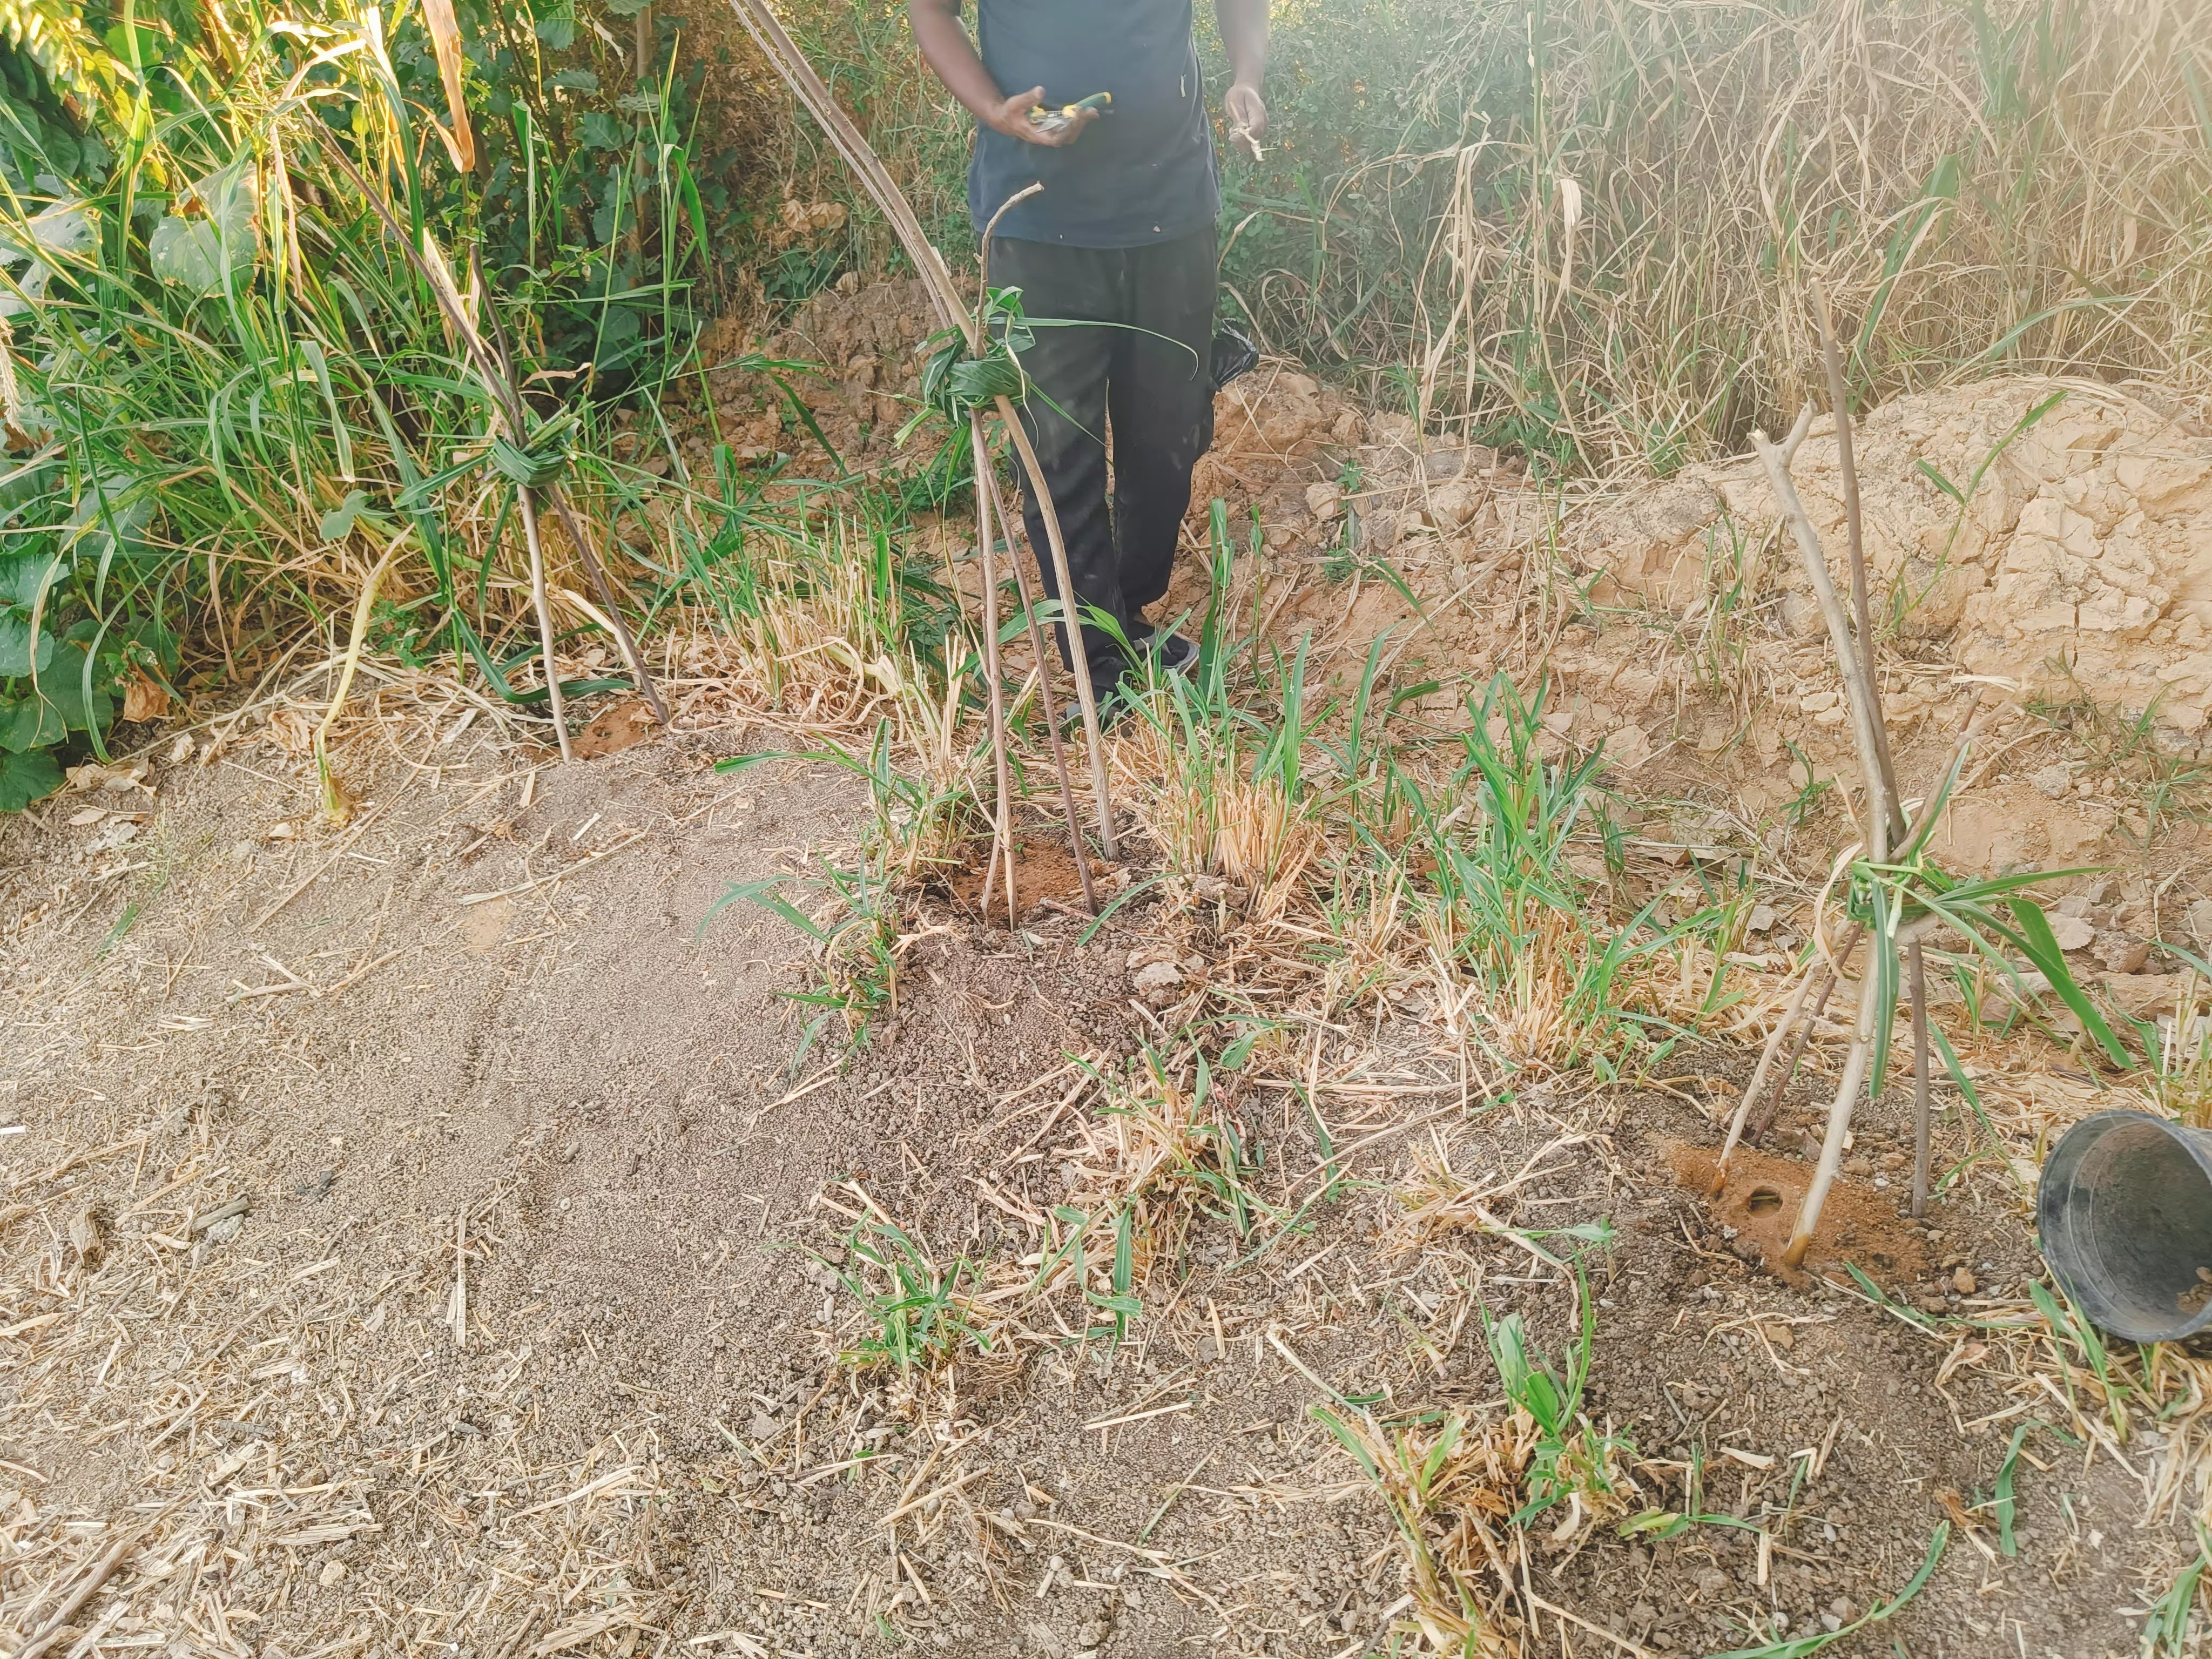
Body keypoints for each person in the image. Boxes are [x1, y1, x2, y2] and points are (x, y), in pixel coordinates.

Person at [908, 0, 1269, 693]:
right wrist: (997, 112)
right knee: (1058, 452)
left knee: (1168, 437)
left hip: (1172, 212)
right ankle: (1100, 662)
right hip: (1036, 218)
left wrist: (1246, 77)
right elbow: (931, 11)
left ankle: (1124, 610)